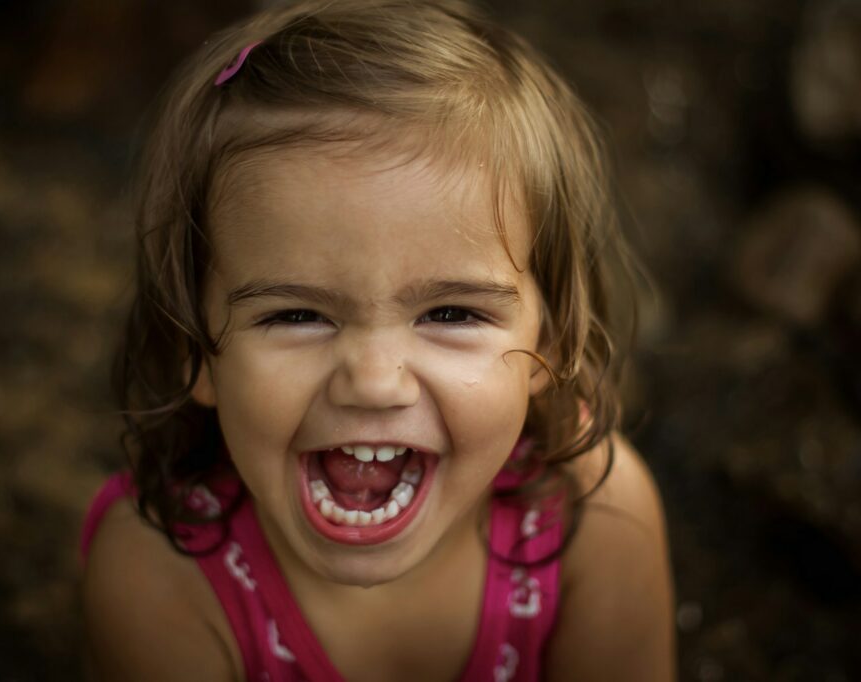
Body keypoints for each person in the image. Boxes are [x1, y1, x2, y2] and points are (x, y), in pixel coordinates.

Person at [80, 0, 674, 679]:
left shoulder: (595, 519)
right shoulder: (161, 574)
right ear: (195, 350)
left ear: (551, 344)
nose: (372, 379)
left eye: (451, 314)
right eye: (296, 315)